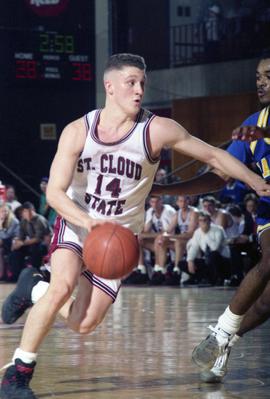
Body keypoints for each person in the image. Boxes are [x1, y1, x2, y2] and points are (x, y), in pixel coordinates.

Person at [1, 53, 270, 398]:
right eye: (131, 83)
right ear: (109, 87)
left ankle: (32, 288)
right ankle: (18, 375)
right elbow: (54, 193)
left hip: (120, 237)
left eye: (142, 82)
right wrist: (87, 222)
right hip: (79, 222)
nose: (139, 90)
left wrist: (256, 183)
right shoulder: (78, 131)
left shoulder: (156, 129)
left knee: (83, 323)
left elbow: (216, 157)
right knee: (62, 286)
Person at [152, 55, 270, 383]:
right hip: (269, 213)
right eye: (258, 76)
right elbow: (218, 177)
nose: (260, 81)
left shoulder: (258, 128)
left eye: (269, 75)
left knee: (265, 305)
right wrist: (164, 189)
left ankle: (225, 341)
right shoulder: (253, 123)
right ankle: (220, 333)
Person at [182, 210, 231, 286]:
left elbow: (215, 248)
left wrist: (205, 233)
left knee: (213, 255)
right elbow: (194, 247)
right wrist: (190, 261)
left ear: (209, 221)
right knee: (182, 263)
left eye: (205, 220)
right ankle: (198, 278)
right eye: (200, 220)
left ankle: (217, 279)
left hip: (222, 260)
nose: (203, 222)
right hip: (207, 259)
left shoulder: (218, 230)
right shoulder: (197, 232)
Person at [0, 203, 20, 280]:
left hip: (13, 243)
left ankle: (2, 275)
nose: (4, 213)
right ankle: (2, 275)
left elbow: (6, 236)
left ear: (9, 212)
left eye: (5, 211)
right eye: (2, 211)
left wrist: (1, 226)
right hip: (4, 244)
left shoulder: (13, 221)